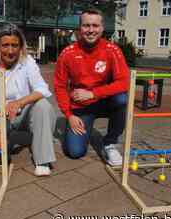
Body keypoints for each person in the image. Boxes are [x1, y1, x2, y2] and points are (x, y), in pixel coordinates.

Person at [0, 24, 57, 176]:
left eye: (15, 45)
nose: (10, 51)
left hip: (21, 114)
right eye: (5, 45)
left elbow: (42, 89)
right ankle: (7, 141)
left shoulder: (27, 62)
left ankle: (43, 160)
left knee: (43, 106)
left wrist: (19, 102)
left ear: (21, 47)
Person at [54, 9, 129, 166]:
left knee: (122, 98)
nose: (91, 30)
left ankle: (110, 142)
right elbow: (60, 86)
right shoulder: (68, 53)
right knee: (75, 152)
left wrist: (93, 94)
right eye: (86, 25)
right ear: (79, 28)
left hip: (104, 102)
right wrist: (69, 115)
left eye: (95, 25)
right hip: (81, 107)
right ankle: (85, 128)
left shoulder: (112, 50)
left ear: (102, 28)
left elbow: (124, 82)